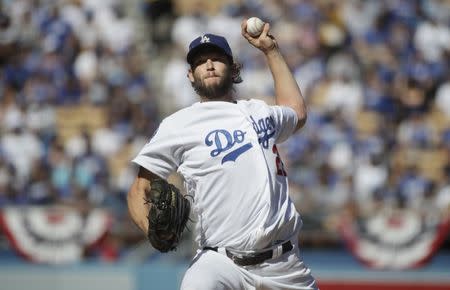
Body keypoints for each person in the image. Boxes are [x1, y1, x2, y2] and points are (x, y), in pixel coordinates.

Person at [127, 19, 319, 290]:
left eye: (217, 58)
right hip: (219, 262)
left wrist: (271, 51)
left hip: (284, 266)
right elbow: (139, 189)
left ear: (233, 68)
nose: (208, 64)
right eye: (200, 61)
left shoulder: (259, 110)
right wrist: (153, 232)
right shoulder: (179, 124)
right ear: (190, 75)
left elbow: (296, 113)